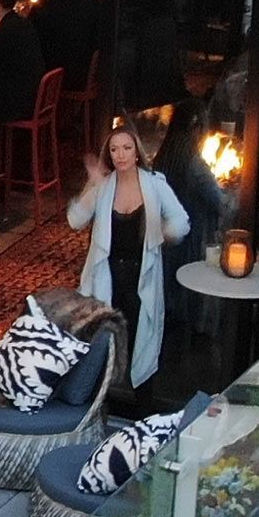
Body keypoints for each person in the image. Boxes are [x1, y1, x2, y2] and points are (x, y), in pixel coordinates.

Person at [68, 123, 189, 396]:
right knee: (103, 346)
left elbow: (181, 222)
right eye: (114, 150)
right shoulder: (104, 187)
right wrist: (92, 185)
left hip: (140, 278)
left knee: (141, 345)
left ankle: (141, 409)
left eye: (126, 148)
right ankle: (99, 403)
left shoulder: (155, 184)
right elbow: (75, 220)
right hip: (107, 277)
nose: (120, 155)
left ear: (136, 152)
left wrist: (163, 232)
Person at [154, 101, 234, 331]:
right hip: (193, 241)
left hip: (167, 242)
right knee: (189, 298)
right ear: (196, 130)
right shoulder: (195, 165)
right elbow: (222, 204)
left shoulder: (163, 159)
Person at [30, 0, 100, 90]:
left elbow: (32, 37)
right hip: (81, 74)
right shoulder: (91, 4)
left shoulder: (42, 4)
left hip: (49, 74)